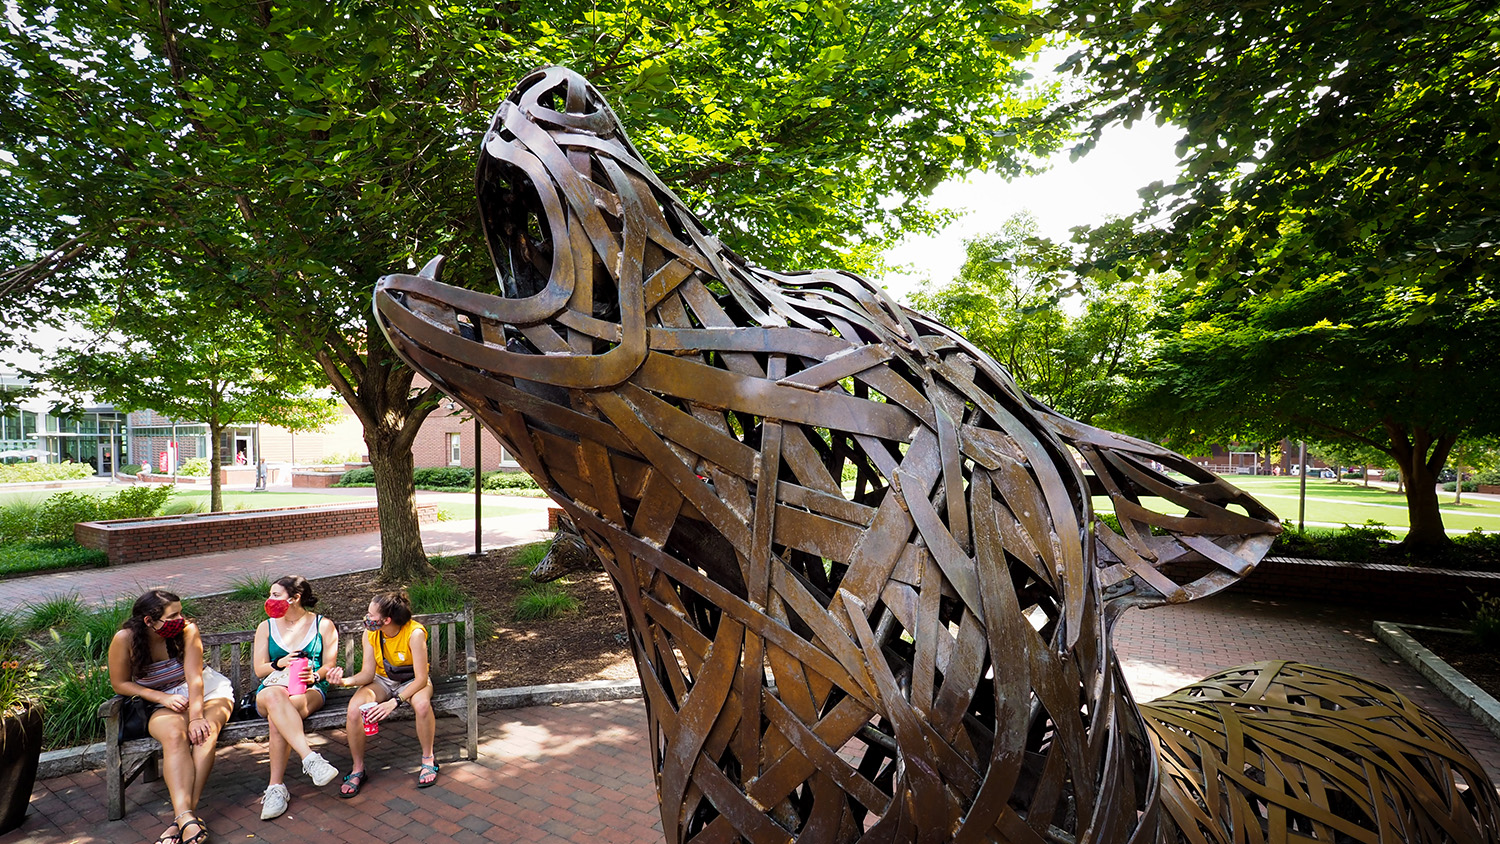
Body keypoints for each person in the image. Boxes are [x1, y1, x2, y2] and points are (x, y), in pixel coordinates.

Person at [107, 590, 234, 844]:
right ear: (148, 621)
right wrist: (161, 697)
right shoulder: (125, 639)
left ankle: (183, 818)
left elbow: (194, 678)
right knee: (175, 735)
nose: (181, 618)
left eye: (181, 611)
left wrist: (197, 716)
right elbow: (120, 684)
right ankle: (187, 820)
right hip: (160, 699)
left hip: (207, 692)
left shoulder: (187, 631)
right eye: (173, 614)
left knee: (205, 733)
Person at [252, 576, 340, 819]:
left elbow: (329, 666)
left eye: (276, 595)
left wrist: (314, 675)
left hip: (308, 689)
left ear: (295, 598)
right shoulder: (265, 627)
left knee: (278, 715)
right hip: (272, 688)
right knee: (275, 699)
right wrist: (279, 663)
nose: (270, 600)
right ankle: (310, 759)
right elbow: (260, 670)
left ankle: (276, 789)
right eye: (270, 595)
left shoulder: (323, 625)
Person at [333, 591, 436, 795]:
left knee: (422, 705)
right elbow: (367, 674)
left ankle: (428, 759)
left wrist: (394, 702)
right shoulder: (371, 633)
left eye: (371, 615)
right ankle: (358, 769)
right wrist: (343, 681)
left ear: (386, 620)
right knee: (354, 709)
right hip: (382, 680)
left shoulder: (414, 633)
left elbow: (421, 678)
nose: (367, 618)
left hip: (412, 681)